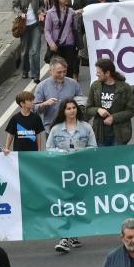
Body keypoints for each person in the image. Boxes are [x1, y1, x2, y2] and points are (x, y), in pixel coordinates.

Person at [45, 98, 96, 253]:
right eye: (68, 108)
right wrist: (61, 152)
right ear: (63, 111)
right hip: (62, 173)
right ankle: (64, 237)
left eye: (74, 108)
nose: (72, 111)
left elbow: (94, 147)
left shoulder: (86, 128)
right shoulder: (56, 129)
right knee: (66, 203)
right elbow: (48, 148)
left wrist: (80, 152)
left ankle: (73, 234)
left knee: (77, 204)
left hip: (81, 173)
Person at [85, 58, 134, 146]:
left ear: (107, 73)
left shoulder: (125, 88)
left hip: (119, 134)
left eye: (99, 72)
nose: (96, 75)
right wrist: (98, 110)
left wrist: (113, 118)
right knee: (102, 159)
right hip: (100, 134)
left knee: (119, 159)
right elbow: (88, 108)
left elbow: (131, 110)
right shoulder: (95, 86)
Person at [12, 0, 45, 83]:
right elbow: (14, 5)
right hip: (24, 26)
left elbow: (41, 5)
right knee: (25, 51)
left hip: (35, 25)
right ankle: (25, 69)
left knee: (35, 51)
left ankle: (36, 74)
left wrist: (41, 12)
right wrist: (20, 13)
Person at [34, 56, 81, 134]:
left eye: (64, 72)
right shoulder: (41, 86)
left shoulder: (73, 84)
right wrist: (45, 104)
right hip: (51, 130)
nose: (62, 75)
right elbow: (34, 110)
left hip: (72, 129)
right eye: (59, 72)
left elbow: (81, 104)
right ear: (50, 71)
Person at [44, 0, 77, 77]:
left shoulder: (70, 11)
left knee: (69, 68)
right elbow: (47, 30)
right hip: (56, 46)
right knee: (58, 68)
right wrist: (51, 44)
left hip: (69, 44)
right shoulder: (50, 13)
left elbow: (79, 13)